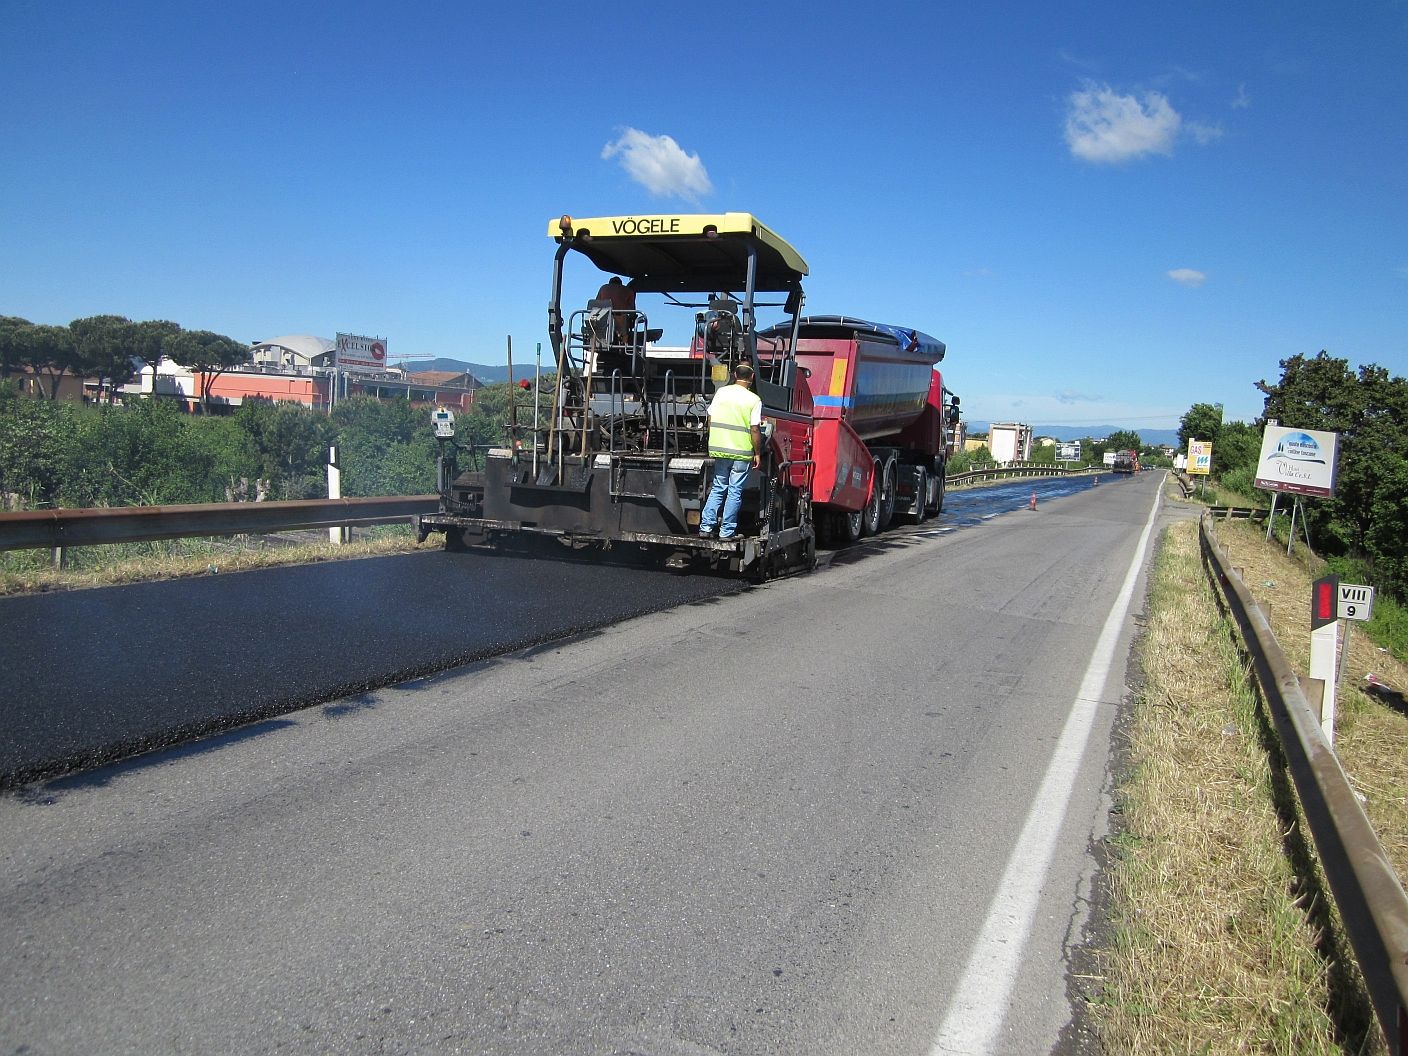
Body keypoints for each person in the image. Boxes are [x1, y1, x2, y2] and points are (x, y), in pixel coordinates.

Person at [699, 362, 763, 540]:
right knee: (735, 491)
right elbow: (755, 429)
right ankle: (726, 531)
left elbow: (710, 418)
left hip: (720, 449)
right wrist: (757, 453)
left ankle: (706, 527)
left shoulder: (721, 393)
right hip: (741, 452)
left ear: (734, 375)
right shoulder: (754, 400)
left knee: (718, 488)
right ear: (752, 377)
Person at [595, 276, 636, 344]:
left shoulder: (603, 288)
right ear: (620, 283)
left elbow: (596, 304)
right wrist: (633, 319)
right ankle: (623, 345)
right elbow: (632, 310)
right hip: (621, 321)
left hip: (603, 320)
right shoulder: (627, 290)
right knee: (623, 339)